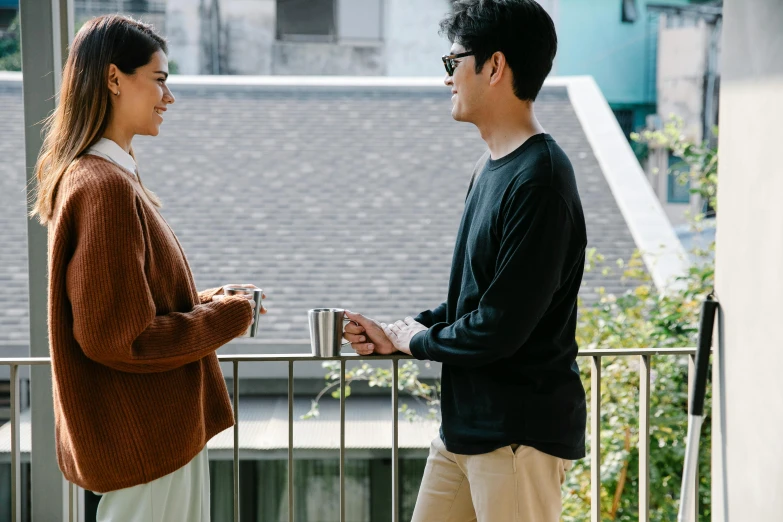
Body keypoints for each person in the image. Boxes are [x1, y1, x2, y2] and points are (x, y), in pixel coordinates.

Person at [344, 1, 587, 520]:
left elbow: (499, 327)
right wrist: (399, 332)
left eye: (453, 61)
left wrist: (417, 340)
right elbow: (473, 302)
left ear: (494, 66)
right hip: (465, 431)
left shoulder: (540, 179)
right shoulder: (491, 167)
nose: (447, 78)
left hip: (517, 438)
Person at [30, 15, 264, 522]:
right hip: (148, 447)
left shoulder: (100, 178)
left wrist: (205, 302)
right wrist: (226, 319)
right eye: (159, 80)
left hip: (147, 447)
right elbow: (119, 337)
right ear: (114, 79)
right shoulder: (105, 187)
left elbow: (129, 310)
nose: (169, 97)